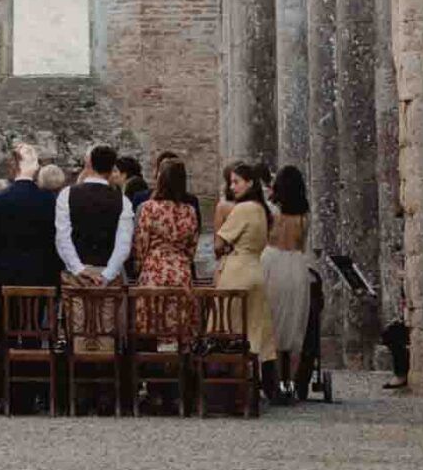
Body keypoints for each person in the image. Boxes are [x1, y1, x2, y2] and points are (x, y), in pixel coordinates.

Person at [213, 159, 277, 382]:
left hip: (237, 270)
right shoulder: (262, 209)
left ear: (249, 183)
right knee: (256, 328)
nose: (232, 187)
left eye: (236, 182)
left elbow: (219, 244)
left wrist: (226, 247)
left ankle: (232, 383)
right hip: (256, 269)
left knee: (229, 328)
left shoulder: (243, 209)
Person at [0, 142, 60, 301]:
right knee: (34, 324)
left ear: (14, 165)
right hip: (41, 277)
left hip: (5, 277)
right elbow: (54, 240)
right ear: (35, 166)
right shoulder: (49, 200)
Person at [263, 164, 313, 399]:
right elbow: (302, 244)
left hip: (272, 262)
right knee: (294, 325)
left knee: (272, 323)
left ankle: (273, 384)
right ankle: (290, 383)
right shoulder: (304, 215)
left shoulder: (271, 211)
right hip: (296, 264)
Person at [54, 143, 134, 285]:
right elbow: (123, 244)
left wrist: (78, 269)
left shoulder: (67, 194)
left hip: (76, 278)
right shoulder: (123, 201)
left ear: (89, 164)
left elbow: (63, 237)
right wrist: (107, 275)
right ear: (112, 168)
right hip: (108, 277)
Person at [134, 156, 200, 288]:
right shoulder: (189, 211)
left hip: (153, 270)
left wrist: (140, 265)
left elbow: (141, 245)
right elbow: (192, 247)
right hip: (181, 273)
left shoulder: (149, 208)